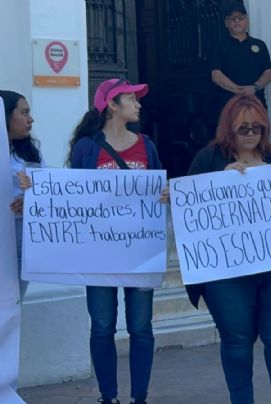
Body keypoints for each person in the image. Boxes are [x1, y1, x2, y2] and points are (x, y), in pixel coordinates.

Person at [185, 94, 271, 404]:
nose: (251, 134)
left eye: (258, 128)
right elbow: (191, 213)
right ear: (228, 129)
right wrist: (217, 184)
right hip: (227, 272)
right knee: (237, 343)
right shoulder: (207, 159)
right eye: (244, 129)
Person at [68, 78, 164, 404]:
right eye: (131, 99)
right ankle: (108, 397)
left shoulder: (146, 144)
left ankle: (140, 397)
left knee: (140, 327)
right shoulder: (87, 148)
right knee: (102, 326)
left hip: (139, 251)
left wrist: (163, 195)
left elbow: (157, 191)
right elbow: (70, 196)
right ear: (112, 105)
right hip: (99, 253)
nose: (138, 104)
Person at [3, 90, 42, 301]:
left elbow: (48, 190)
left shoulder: (29, 153)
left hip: (21, 242)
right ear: (5, 115)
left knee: (12, 306)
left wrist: (30, 200)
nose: (30, 119)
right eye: (24, 112)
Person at [210, 1, 271, 112]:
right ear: (226, 22)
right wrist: (239, 90)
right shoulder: (219, 46)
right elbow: (216, 76)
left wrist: (254, 87)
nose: (237, 21)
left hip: (257, 103)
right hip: (230, 105)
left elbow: (268, 73)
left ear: (247, 20)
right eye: (233, 19)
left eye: (241, 18)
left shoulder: (260, 45)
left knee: (259, 129)